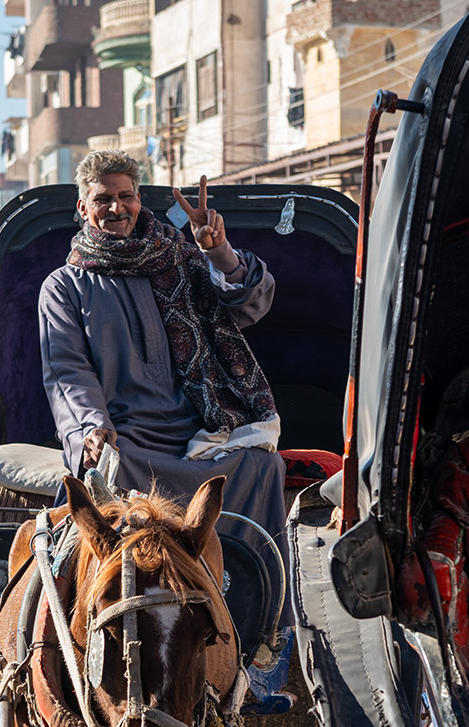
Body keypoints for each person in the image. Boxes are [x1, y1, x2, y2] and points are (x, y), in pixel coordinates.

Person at [37, 150, 294, 695]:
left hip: (201, 434)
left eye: (126, 195)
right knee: (115, 478)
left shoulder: (178, 260)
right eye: (103, 198)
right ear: (83, 207)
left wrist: (218, 250)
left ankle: (261, 632)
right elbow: (66, 369)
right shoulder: (64, 287)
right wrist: (90, 429)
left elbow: (251, 307)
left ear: (138, 200)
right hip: (126, 439)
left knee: (260, 468)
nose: (116, 207)